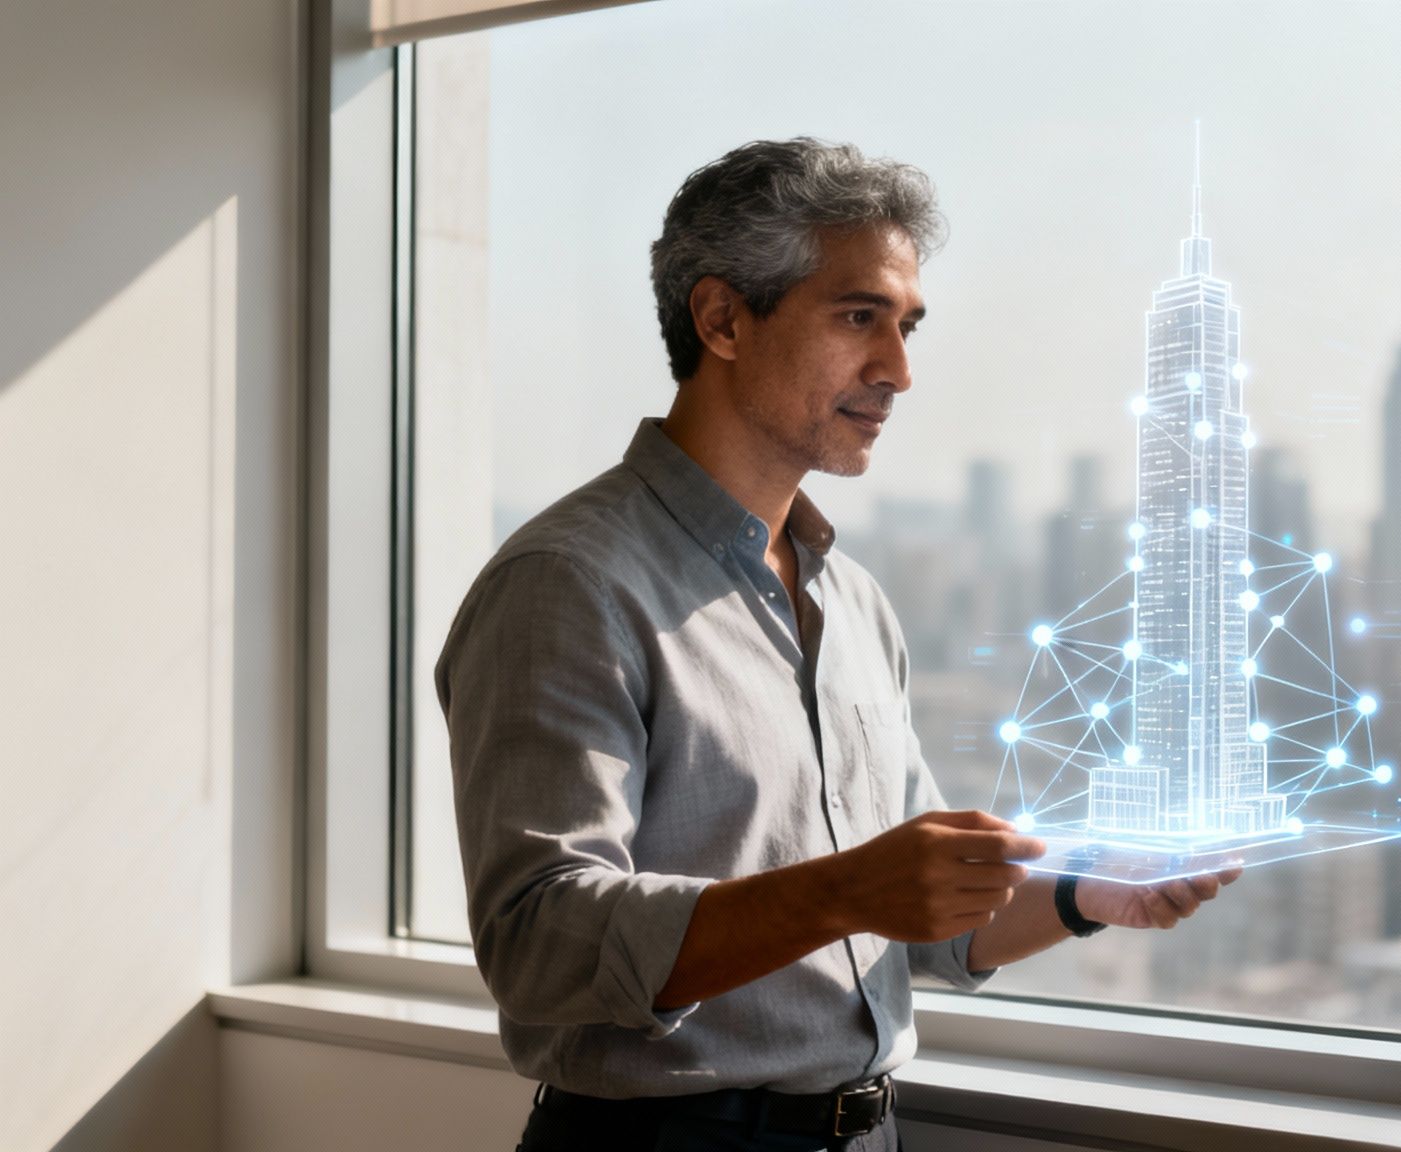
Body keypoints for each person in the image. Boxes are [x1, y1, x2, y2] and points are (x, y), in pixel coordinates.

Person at [436, 138, 1238, 1152]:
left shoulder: (852, 602)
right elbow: (538, 944)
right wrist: (847, 889)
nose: (898, 370)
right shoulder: (569, 584)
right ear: (721, 318)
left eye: (906, 326)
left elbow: (923, 928)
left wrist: (1085, 895)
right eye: (859, 317)